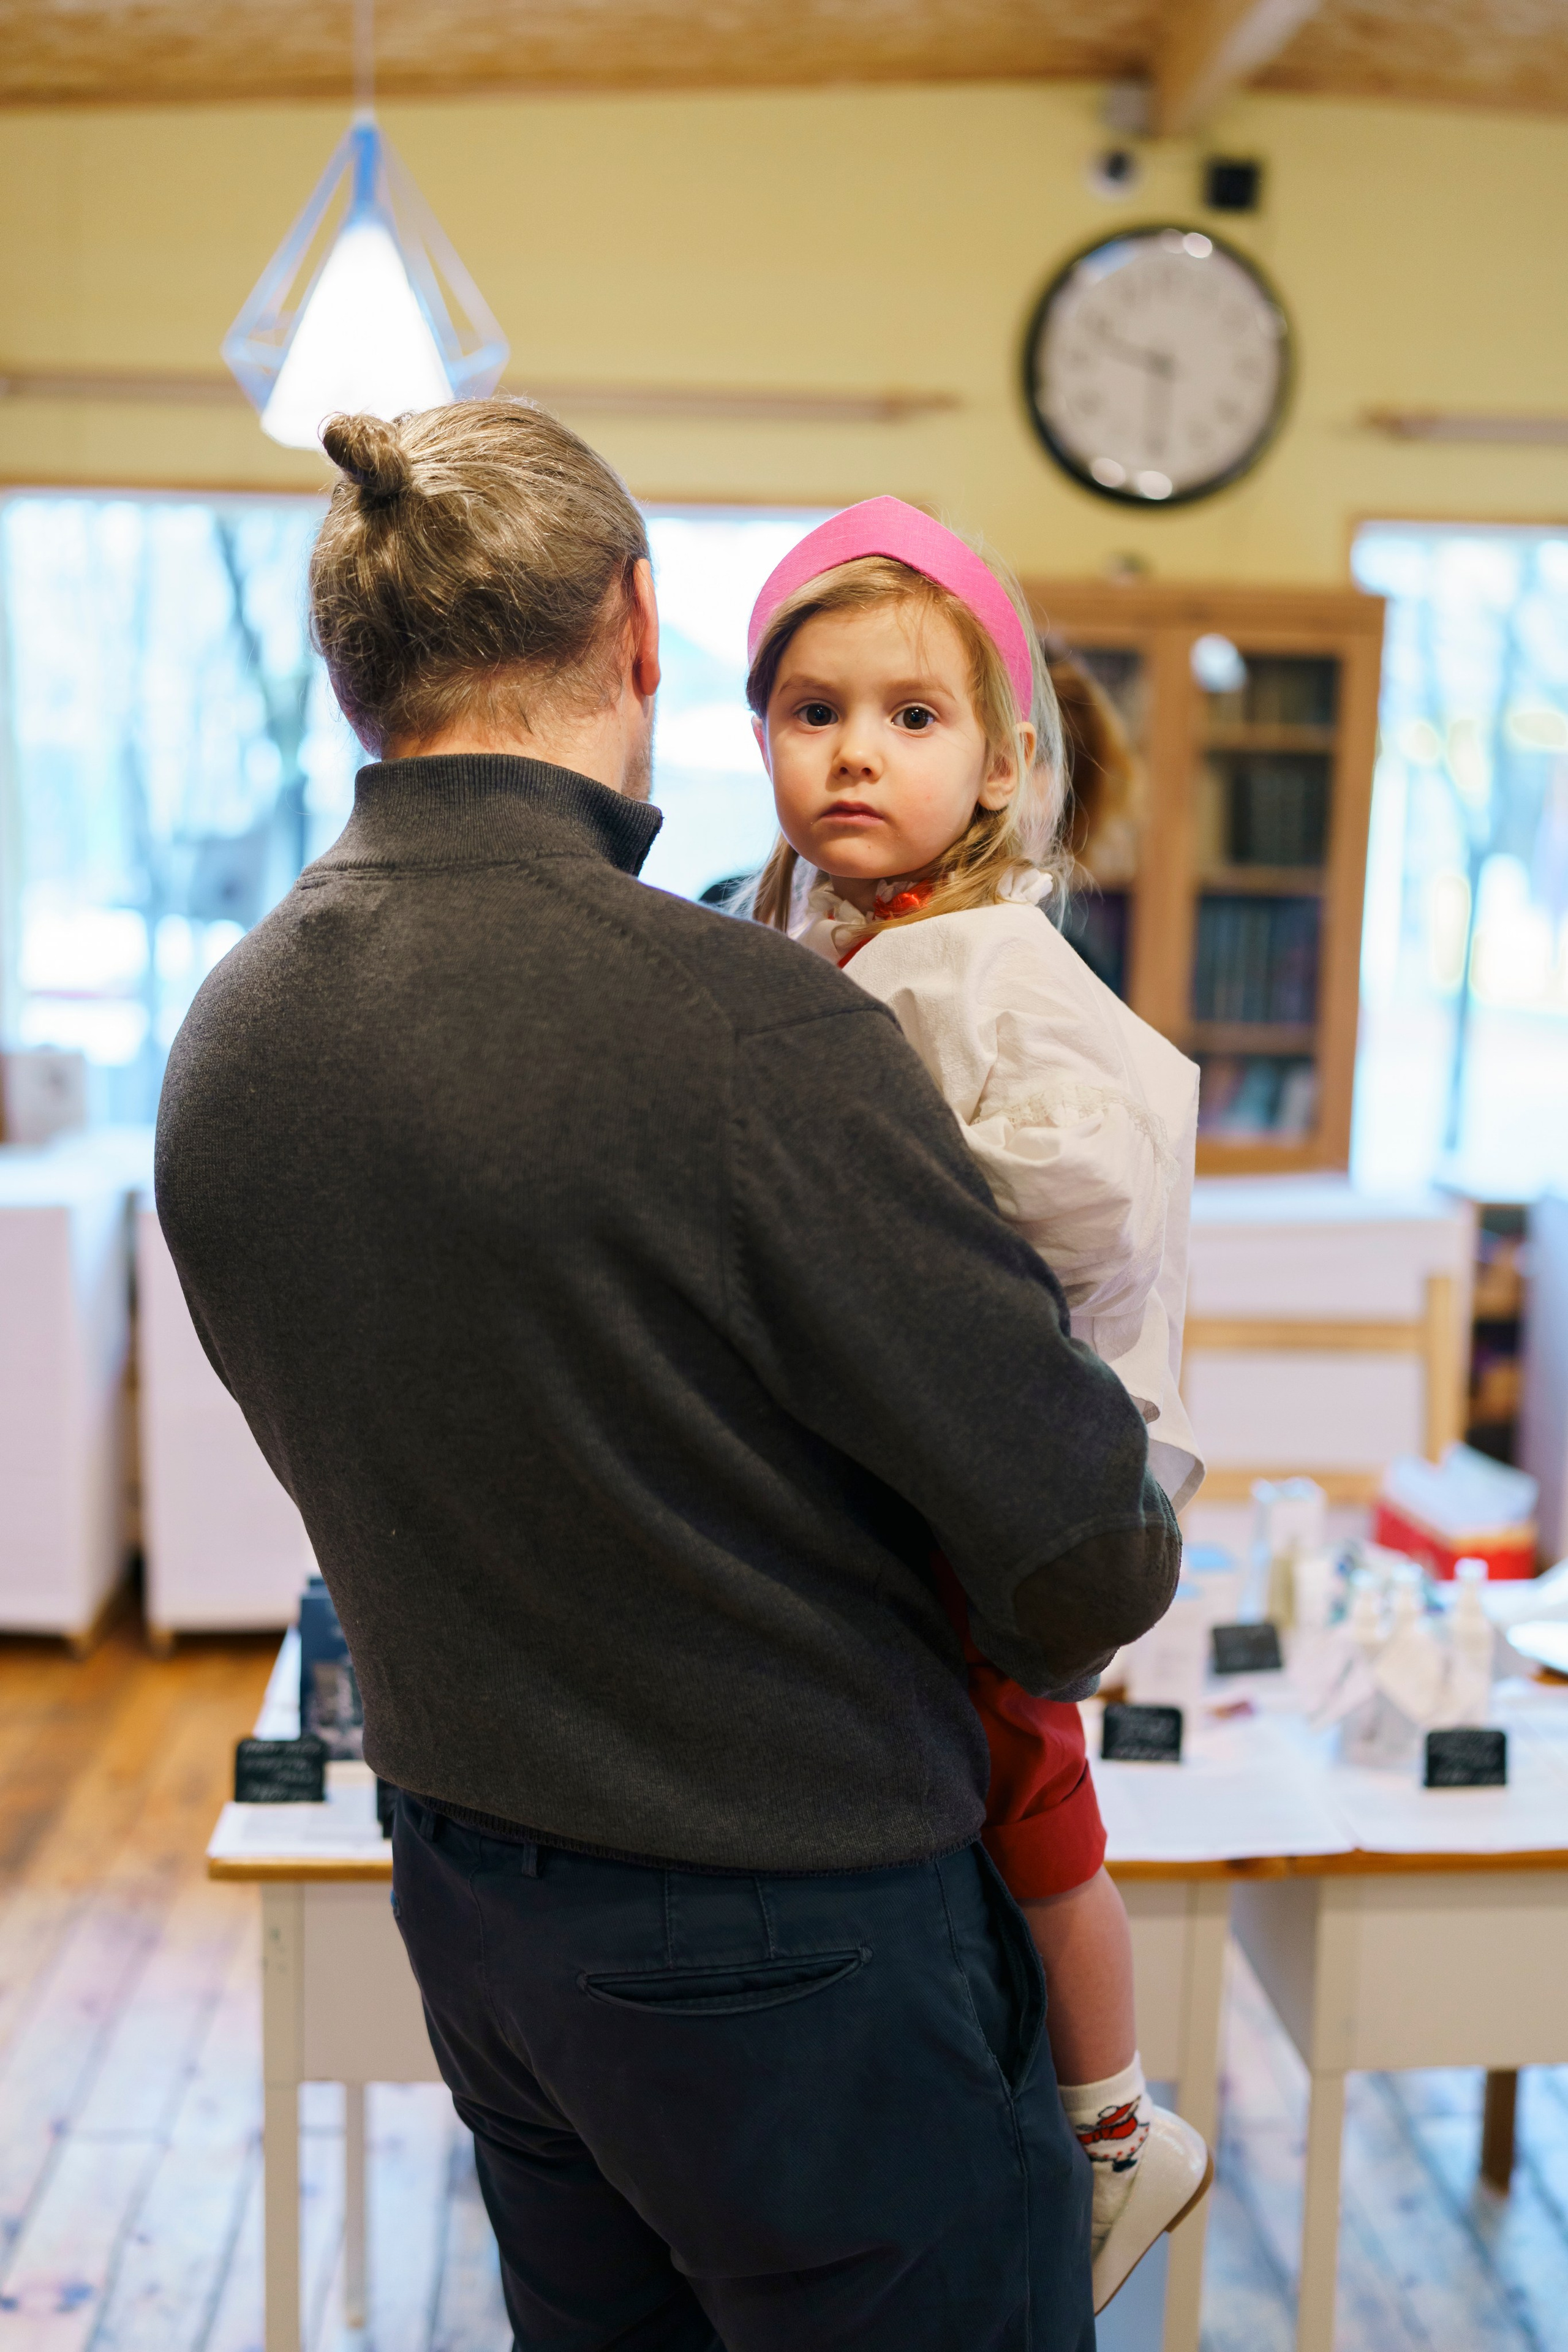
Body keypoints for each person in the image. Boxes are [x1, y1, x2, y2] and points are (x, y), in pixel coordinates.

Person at [155, 402, 1182, 2352]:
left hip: (473, 1897)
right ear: (642, 631)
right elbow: (1087, 1560)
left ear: (358, 670)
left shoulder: (236, 1038)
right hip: (800, 1929)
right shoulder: (747, 1029)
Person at [744, 499, 1210, 2310]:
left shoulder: (994, 961)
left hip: (1011, 1463)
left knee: (1031, 1777)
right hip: (882, 1449)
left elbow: (1091, 1185)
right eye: (812, 707)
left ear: (1006, 762)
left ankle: (1115, 2125)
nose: (856, 748)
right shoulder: (806, 920)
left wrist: (893, 1196)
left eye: (913, 717)